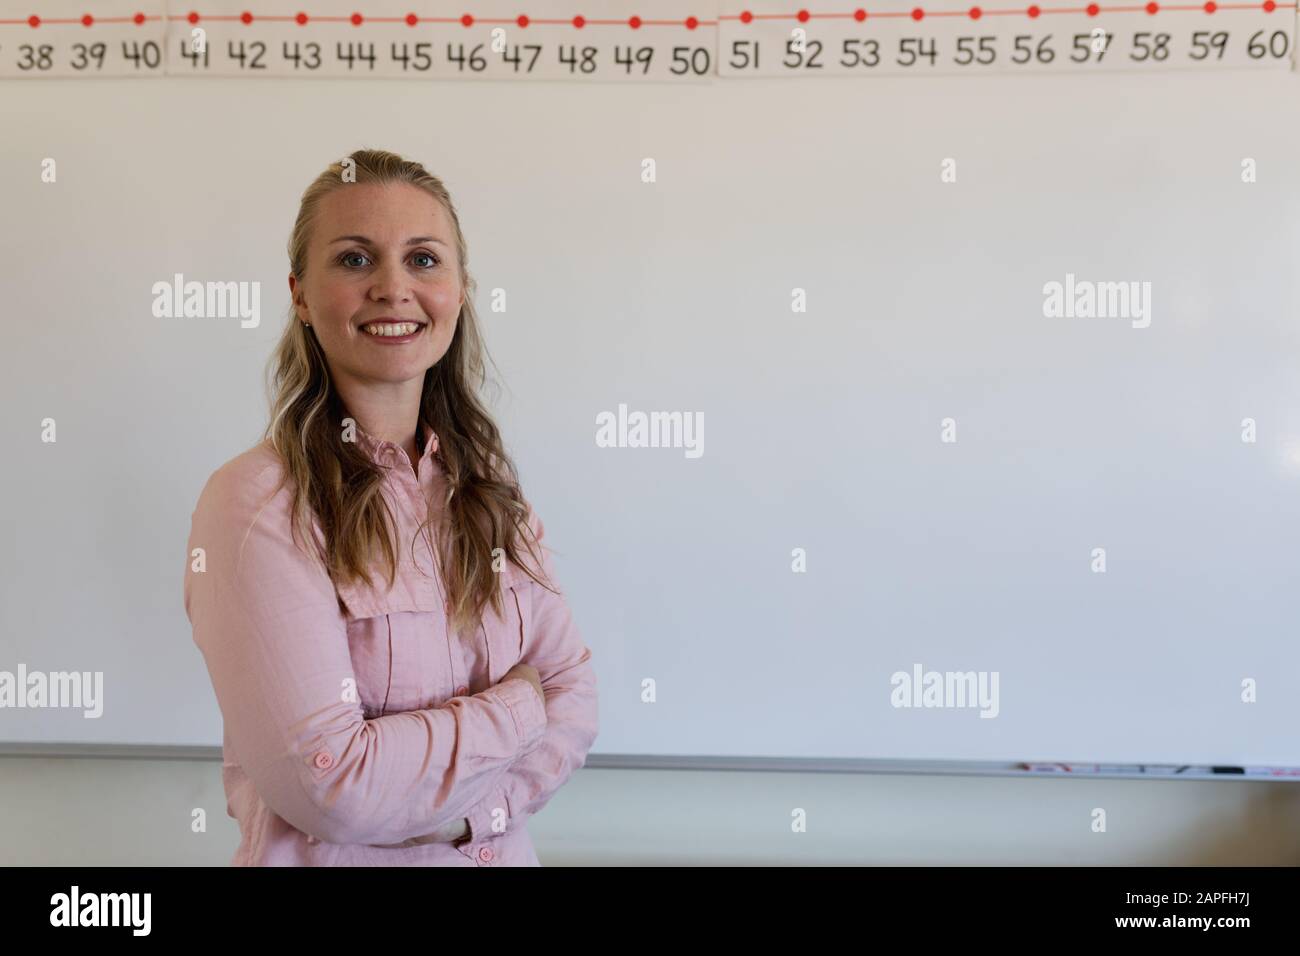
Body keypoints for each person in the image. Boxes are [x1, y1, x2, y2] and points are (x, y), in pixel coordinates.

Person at [183, 148, 598, 866]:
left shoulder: (489, 488)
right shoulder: (255, 503)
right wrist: (517, 709)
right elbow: (332, 787)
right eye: (353, 260)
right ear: (301, 296)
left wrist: (472, 819)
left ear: (461, 290)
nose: (393, 287)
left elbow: (574, 696)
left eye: (424, 260)